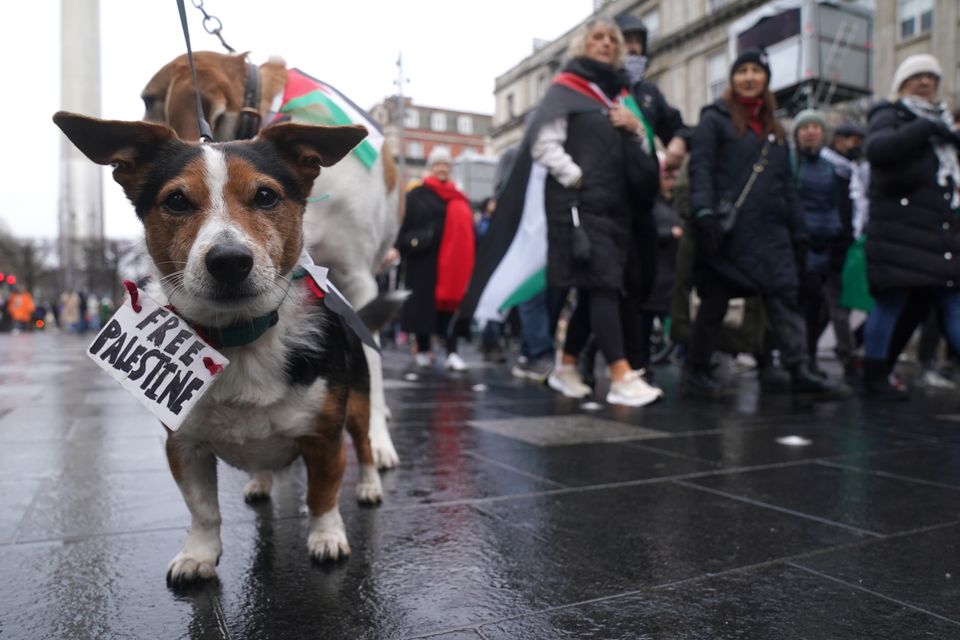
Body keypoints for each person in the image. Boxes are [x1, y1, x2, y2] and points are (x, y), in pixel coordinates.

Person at [685, 50, 847, 400]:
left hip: (771, 232)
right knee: (715, 301)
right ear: (732, 79)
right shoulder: (714, 119)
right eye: (741, 70)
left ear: (765, 79)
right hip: (728, 230)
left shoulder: (775, 129)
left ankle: (798, 366)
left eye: (756, 71)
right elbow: (701, 169)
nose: (748, 77)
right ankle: (697, 367)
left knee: (784, 298)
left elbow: (786, 185)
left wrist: (799, 231)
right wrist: (703, 214)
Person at [531, 17, 661, 407]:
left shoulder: (619, 95)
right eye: (597, 38)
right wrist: (578, 178)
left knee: (594, 289)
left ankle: (566, 367)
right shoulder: (566, 88)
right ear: (582, 45)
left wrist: (636, 127)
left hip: (616, 207)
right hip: (580, 205)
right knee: (603, 284)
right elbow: (543, 145)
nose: (605, 44)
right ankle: (621, 375)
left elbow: (642, 154)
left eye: (612, 39)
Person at [861, 54, 960, 398]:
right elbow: (879, 151)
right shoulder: (890, 115)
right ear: (901, 84)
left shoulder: (944, 128)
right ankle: (874, 375)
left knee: (951, 302)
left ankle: (879, 372)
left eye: (931, 77)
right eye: (916, 76)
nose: (924, 82)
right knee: (891, 302)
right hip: (898, 232)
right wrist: (926, 129)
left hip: (938, 232)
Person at [396, 146, 476, 371]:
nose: (442, 168)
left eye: (446, 165)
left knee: (450, 310)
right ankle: (422, 349)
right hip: (424, 262)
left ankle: (452, 351)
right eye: (438, 164)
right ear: (430, 168)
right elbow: (403, 229)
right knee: (423, 308)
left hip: (452, 266)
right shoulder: (416, 195)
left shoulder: (458, 197)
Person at [792, 108, 855, 376]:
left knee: (821, 308)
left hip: (827, 247)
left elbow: (839, 207)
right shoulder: (790, 164)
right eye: (804, 127)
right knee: (801, 305)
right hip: (798, 246)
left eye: (815, 127)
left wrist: (839, 238)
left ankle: (809, 357)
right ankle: (798, 359)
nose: (810, 131)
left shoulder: (834, 168)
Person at [638, 159, 683, 369]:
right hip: (655, 273)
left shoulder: (679, 202)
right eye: (666, 176)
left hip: (674, 272)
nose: (671, 181)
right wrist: (669, 234)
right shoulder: (650, 203)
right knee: (645, 322)